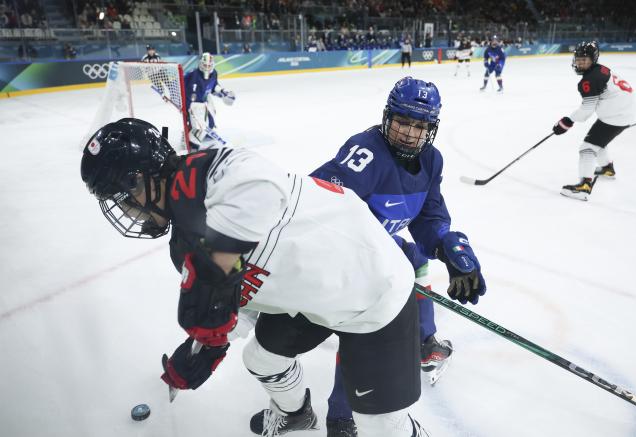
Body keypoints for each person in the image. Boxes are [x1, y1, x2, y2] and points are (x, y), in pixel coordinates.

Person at [79, 118, 482, 436]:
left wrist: (215, 265)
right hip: (314, 301)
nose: (126, 212)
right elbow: (237, 298)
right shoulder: (183, 246)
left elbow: (260, 187)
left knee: (378, 427)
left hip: (373, 294)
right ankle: (296, 415)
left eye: (123, 198)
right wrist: (207, 342)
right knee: (261, 356)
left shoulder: (218, 170)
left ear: (143, 180)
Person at [311, 77, 486, 437]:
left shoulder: (431, 160)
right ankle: (340, 417)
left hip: (379, 249)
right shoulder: (365, 153)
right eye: (404, 121)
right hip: (342, 255)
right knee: (362, 330)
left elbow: (429, 215)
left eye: (420, 126)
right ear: (388, 117)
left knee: (415, 263)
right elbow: (319, 202)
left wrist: (448, 244)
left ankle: (423, 343)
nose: (410, 133)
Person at [553, 41, 636, 201]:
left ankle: (584, 186)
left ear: (593, 59)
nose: (580, 63)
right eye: (578, 59)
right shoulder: (600, 70)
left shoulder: (589, 79)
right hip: (621, 112)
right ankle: (607, 168)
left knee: (587, 148)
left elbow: (586, 111)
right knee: (597, 141)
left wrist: (566, 122)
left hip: (616, 116)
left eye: (585, 60)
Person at [182, 52, 236, 150]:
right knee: (199, 128)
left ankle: (207, 131)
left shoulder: (214, 73)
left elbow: (214, 86)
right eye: (205, 65)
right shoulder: (192, 74)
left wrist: (223, 91)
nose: (207, 67)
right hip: (192, 104)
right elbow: (179, 85)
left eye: (209, 65)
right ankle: (190, 140)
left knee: (211, 119)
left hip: (205, 100)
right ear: (201, 63)